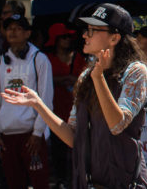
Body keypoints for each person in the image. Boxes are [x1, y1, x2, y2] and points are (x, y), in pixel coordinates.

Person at [1, 3, 147, 188]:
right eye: (86, 30)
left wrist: (98, 78)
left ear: (114, 38)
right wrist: (38, 104)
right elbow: (74, 138)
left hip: (125, 182)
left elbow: (117, 125)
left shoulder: (136, 72)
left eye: (92, 30)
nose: (84, 35)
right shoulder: (85, 77)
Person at [0, 14, 53, 189]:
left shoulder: (39, 59)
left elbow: (46, 98)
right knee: (14, 184)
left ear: (28, 33)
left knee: (40, 183)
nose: (12, 32)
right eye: (9, 28)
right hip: (6, 136)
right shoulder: (0, 61)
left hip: (31, 135)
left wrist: (38, 133)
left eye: (18, 28)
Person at [44, 22, 87, 187]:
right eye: (63, 37)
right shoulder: (47, 59)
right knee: (57, 150)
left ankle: (76, 180)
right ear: (55, 39)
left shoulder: (78, 57)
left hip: (75, 110)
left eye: (69, 37)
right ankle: (61, 180)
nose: (67, 40)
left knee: (76, 149)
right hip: (54, 109)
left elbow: (87, 79)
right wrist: (61, 80)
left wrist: (75, 81)